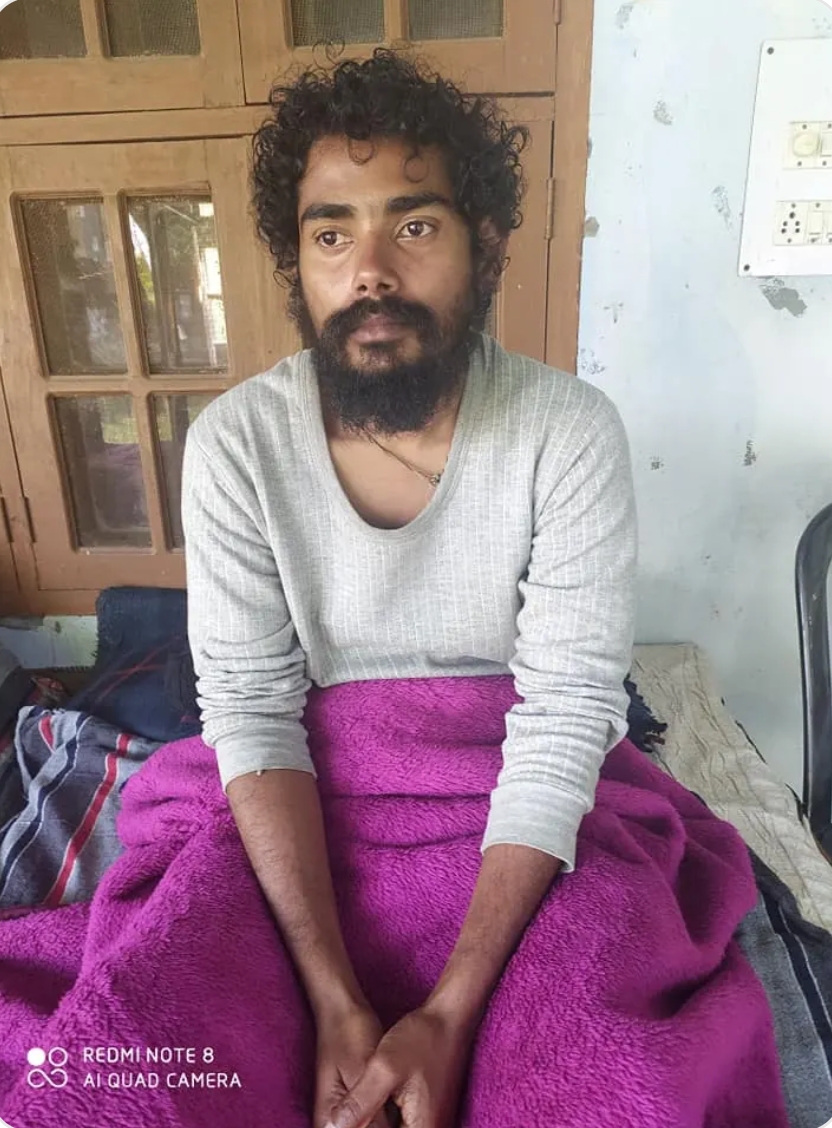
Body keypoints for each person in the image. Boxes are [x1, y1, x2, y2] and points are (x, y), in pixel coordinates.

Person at [182, 48, 638, 1128]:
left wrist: (449, 1011)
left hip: (509, 781)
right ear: (297, 262)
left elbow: (567, 710)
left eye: (415, 224)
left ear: (488, 244)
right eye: (331, 234)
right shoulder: (235, 446)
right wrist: (335, 999)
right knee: (162, 1045)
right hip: (306, 786)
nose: (370, 272)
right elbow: (250, 708)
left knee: (612, 1070)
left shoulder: (568, 433)